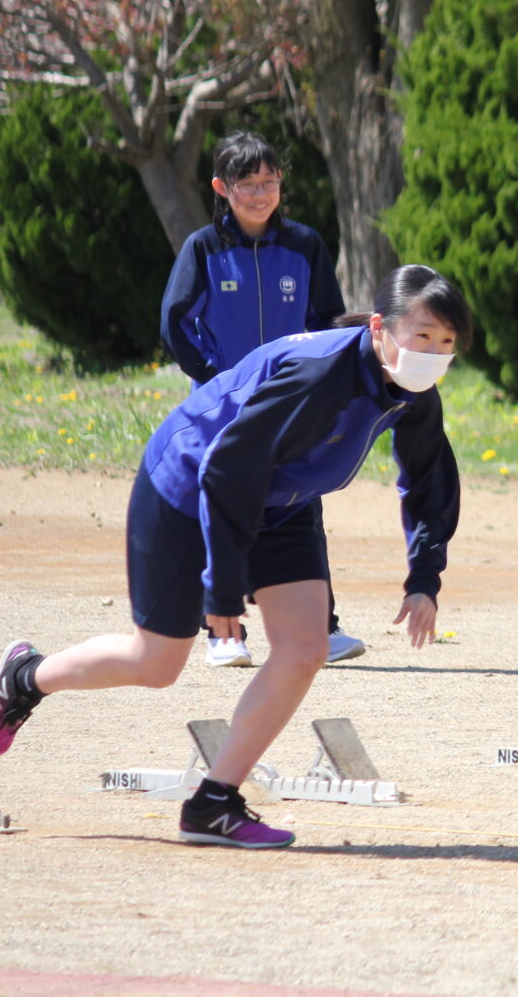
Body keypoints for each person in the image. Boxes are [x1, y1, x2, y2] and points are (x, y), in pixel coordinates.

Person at [0, 265, 470, 848]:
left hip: (282, 503)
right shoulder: (320, 374)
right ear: (381, 328)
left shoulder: (412, 391)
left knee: (306, 647)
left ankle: (214, 802)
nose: (433, 354)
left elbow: (430, 479)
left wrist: (424, 578)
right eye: (423, 336)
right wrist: (224, 587)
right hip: (189, 489)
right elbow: (231, 467)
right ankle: (26, 678)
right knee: (157, 662)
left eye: (446, 343)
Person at [160, 130, 360, 666]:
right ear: (222, 187)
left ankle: (322, 627)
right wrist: (211, 379)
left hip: (294, 405)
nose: (259, 193)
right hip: (227, 408)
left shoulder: (305, 245)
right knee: (225, 506)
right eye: (247, 184)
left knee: (300, 503)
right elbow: (176, 322)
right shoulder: (203, 248)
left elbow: (328, 323)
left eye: (269, 181)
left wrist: (323, 385)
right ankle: (223, 633)